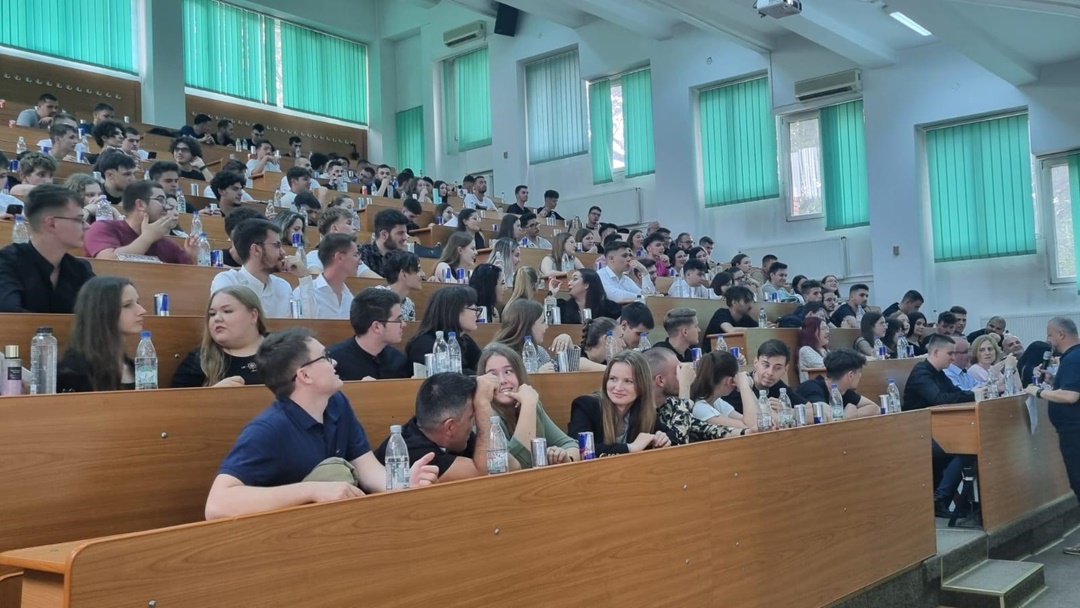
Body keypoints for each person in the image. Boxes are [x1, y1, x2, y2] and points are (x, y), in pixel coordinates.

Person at [204, 328, 440, 520]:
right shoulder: (268, 430)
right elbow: (216, 505)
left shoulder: (336, 403)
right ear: (304, 375)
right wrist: (313, 490)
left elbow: (367, 467)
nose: (334, 361)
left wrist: (401, 483)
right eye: (325, 357)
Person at [902, 334, 977, 517]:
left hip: (938, 430)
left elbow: (957, 393)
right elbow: (939, 399)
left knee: (971, 443)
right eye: (950, 353)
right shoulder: (921, 373)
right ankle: (940, 499)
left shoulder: (939, 374)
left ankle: (953, 498)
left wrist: (974, 394)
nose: (953, 358)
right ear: (936, 352)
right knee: (965, 449)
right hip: (918, 433)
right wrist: (973, 394)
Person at [373, 373, 494, 481]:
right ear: (449, 427)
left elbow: (501, 463)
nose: (474, 422)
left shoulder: (450, 433)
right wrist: (483, 405)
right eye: (472, 417)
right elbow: (483, 474)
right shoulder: (414, 453)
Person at [1026, 318, 1080, 555]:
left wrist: (1038, 391)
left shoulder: (1073, 358)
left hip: (1075, 432)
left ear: (1061, 334)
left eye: (1050, 335)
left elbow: (1070, 396)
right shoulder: (1074, 357)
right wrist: (1052, 381)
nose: (1048, 340)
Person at [479, 344, 580, 467]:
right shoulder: (486, 416)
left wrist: (564, 457)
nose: (502, 380)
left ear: (519, 375)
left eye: (508, 371)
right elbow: (519, 465)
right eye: (493, 375)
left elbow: (570, 444)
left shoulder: (531, 404)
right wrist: (528, 405)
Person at [0, 185, 94, 313]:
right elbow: (10, 315)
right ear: (51, 224)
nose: (87, 226)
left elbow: (104, 310)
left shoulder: (80, 268)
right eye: (79, 219)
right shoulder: (6, 262)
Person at [568, 350, 676, 455]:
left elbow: (672, 436)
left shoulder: (642, 409)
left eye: (628, 381)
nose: (618, 387)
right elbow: (581, 449)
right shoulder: (585, 406)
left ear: (642, 385)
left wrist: (663, 438)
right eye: (613, 379)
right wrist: (630, 448)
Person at [56, 276, 145, 393]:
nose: (142, 311)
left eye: (137, 302)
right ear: (102, 311)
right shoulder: (72, 372)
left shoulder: (136, 368)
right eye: (127, 305)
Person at [644, 348, 745, 443]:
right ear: (660, 380)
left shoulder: (669, 404)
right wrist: (685, 387)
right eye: (678, 371)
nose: (683, 374)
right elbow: (679, 440)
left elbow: (701, 427)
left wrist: (743, 432)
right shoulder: (642, 412)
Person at [172, 287, 267, 388]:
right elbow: (177, 397)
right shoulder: (198, 360)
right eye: (212, 314)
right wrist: (214, 393)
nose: (217, 318)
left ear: (253, 316)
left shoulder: (279, 348)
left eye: (227, 311)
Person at [84, 180, 197, 264]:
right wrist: (146, 238)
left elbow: (189, 275)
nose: (166, 207)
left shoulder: (166, 243)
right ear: (140, 204)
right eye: (160, 200)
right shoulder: (103, 228)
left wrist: (192, 257)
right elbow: (108, 261)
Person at [210, 219, 290, 318]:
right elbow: (228, 323)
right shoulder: (227, 281)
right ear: (256, 250)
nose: (283, 252)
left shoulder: (283, 286)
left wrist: (304, 278)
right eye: (277, 245)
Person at [328, 287, 411, 381]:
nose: (403, 324)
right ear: (377, 327)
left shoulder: (398, 359)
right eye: (398, 320)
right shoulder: (335, 361)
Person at [406, 285, 483, 374]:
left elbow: (482, 367)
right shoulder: (424, 344)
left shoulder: (465, 340)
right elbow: (445, 377)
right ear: (454, 311)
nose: (478, 315)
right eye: (474, 309)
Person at [724, 340, 807, 414]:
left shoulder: (778, 386)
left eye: (778, 368)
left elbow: (811, 409)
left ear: (785, 369)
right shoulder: (737, 389)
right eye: (766, 365)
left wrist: (787, 410)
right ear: (755, 362)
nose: (770, 373)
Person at [795, 348, 881, 419]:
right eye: (859, 372)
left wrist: (853, 414)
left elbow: (875, 408)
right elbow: (825, 415)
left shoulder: (844, 391)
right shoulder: (811, 387)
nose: (860, 376)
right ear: (850, 375)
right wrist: (845, 416)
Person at [493, 299, 573, 372]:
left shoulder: (539, 351)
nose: (546, 326)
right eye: (543, 322)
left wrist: (569, 344)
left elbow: (566, 373)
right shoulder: (498, 353)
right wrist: (537, 374)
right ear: (528, 325)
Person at [690, 351, 760, 429]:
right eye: (737, 375)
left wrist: (748, 388)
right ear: (730, 381)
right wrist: (744, 386)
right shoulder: (700, 408)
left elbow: (758, 420)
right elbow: (752, 427)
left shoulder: (716, 402)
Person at [295, 234, 357, 320]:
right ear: (340, 257)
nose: (360, 262)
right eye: (355, 255)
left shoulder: (350, 298)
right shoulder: (303, 292)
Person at [702, 286, 759, 352]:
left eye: (752, 301)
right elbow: (731, 330)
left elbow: (758, 331)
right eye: (746, 301)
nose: (751, 305)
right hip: (712, 354)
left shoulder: (746, 318)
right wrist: (757, 330)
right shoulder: (721, 313)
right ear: (734, 302)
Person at [557, 269, 622, 325]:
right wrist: (552, 293)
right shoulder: (562, 307)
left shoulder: (608, 307)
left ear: (586, 285)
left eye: (575, 279)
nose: (569, 283)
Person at [359, 209, 409, 278]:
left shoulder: (403, 256)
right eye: (400, 233)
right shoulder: (362, 253)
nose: (405, 237)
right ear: (384, 234)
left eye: (405, 233)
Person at [376, 250, 422, 322]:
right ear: (403, 274)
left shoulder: (409, 304)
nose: (423, 274)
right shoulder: (377, 297)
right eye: (418, 270)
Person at [798, 316, 830, 382]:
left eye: (827, 328)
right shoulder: (805, 350)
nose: (827, 331)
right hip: (811, 387)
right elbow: (827, 365)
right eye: (823, 329)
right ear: (811, 332)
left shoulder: (825, 351)